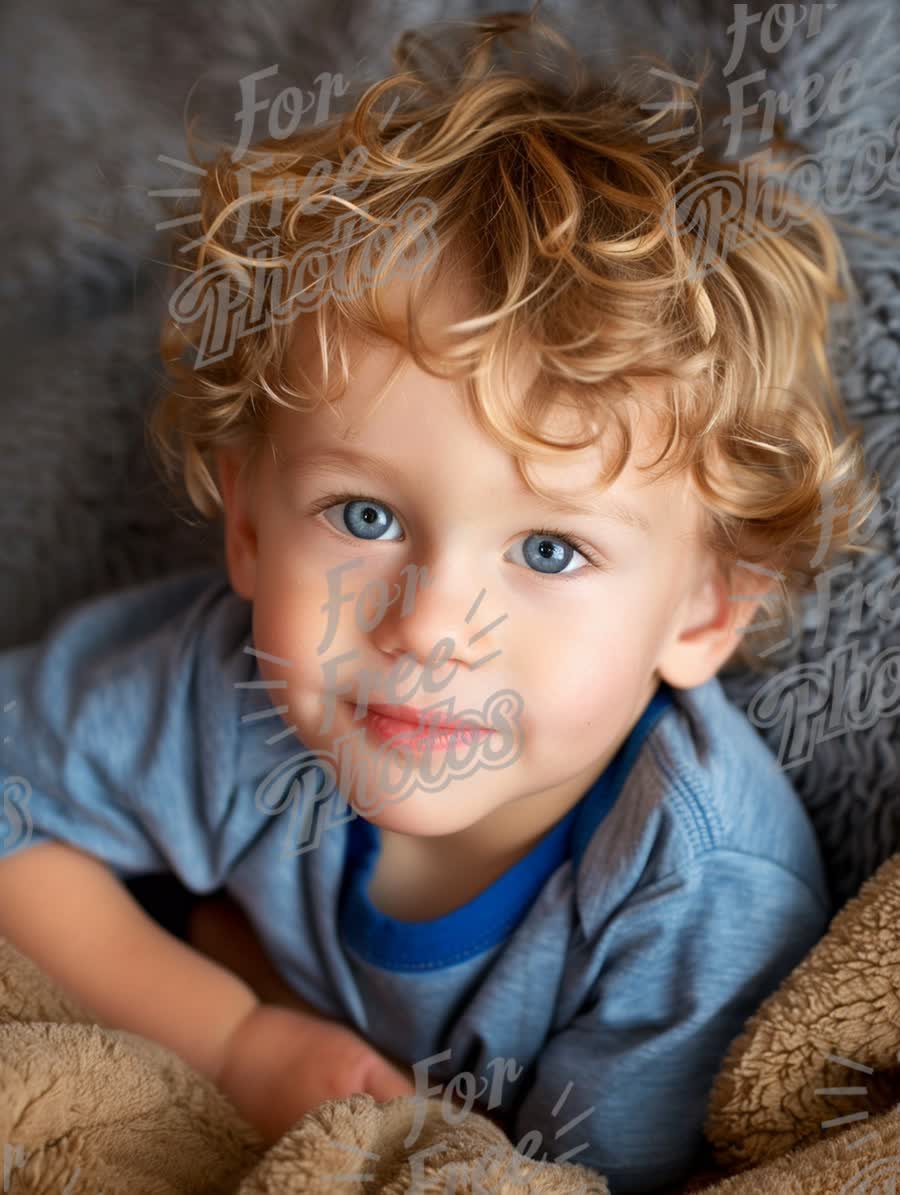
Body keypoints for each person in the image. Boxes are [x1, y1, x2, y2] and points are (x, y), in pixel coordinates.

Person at [0, 8, 882, 1191]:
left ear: (703, 616)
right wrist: (227, 1031)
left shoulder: (694, 895)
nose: (427, 627)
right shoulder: (235, 688)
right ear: (250, 527)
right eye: (365, 517)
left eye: (552, 552)